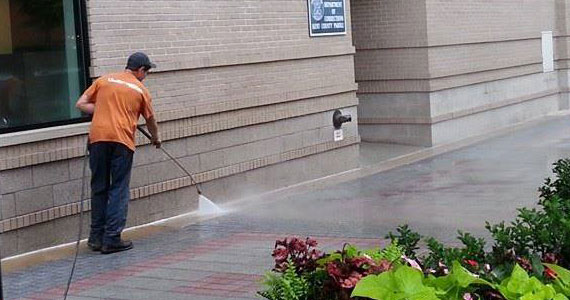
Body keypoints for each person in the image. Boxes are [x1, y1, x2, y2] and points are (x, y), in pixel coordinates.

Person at [75, 52, 161, 254]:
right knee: (119, 189)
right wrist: (155, 138)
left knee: (99, 187)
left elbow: (81, 104)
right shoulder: (141, 90)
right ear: (140, 70)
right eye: (146, 71)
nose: (146, 76)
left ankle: (96, 238)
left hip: (97, 140)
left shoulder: (104, 80)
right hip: (121, 142)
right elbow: (151, 120)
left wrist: (106, 109)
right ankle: (112, 238)